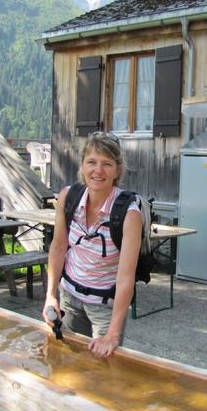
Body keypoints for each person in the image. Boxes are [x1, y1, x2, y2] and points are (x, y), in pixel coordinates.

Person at [42, 132, 142, 358]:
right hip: (68, 297)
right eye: (92, 162)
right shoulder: (68, 197)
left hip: (104, 307)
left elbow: (126, 277)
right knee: (66, 361)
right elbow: (58, 248)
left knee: (103, 371)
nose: (98, 171)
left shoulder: (129, 214)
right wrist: (51, 295)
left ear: (117, 170)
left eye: (107, 164)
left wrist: (113, 334)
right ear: (82, 166)